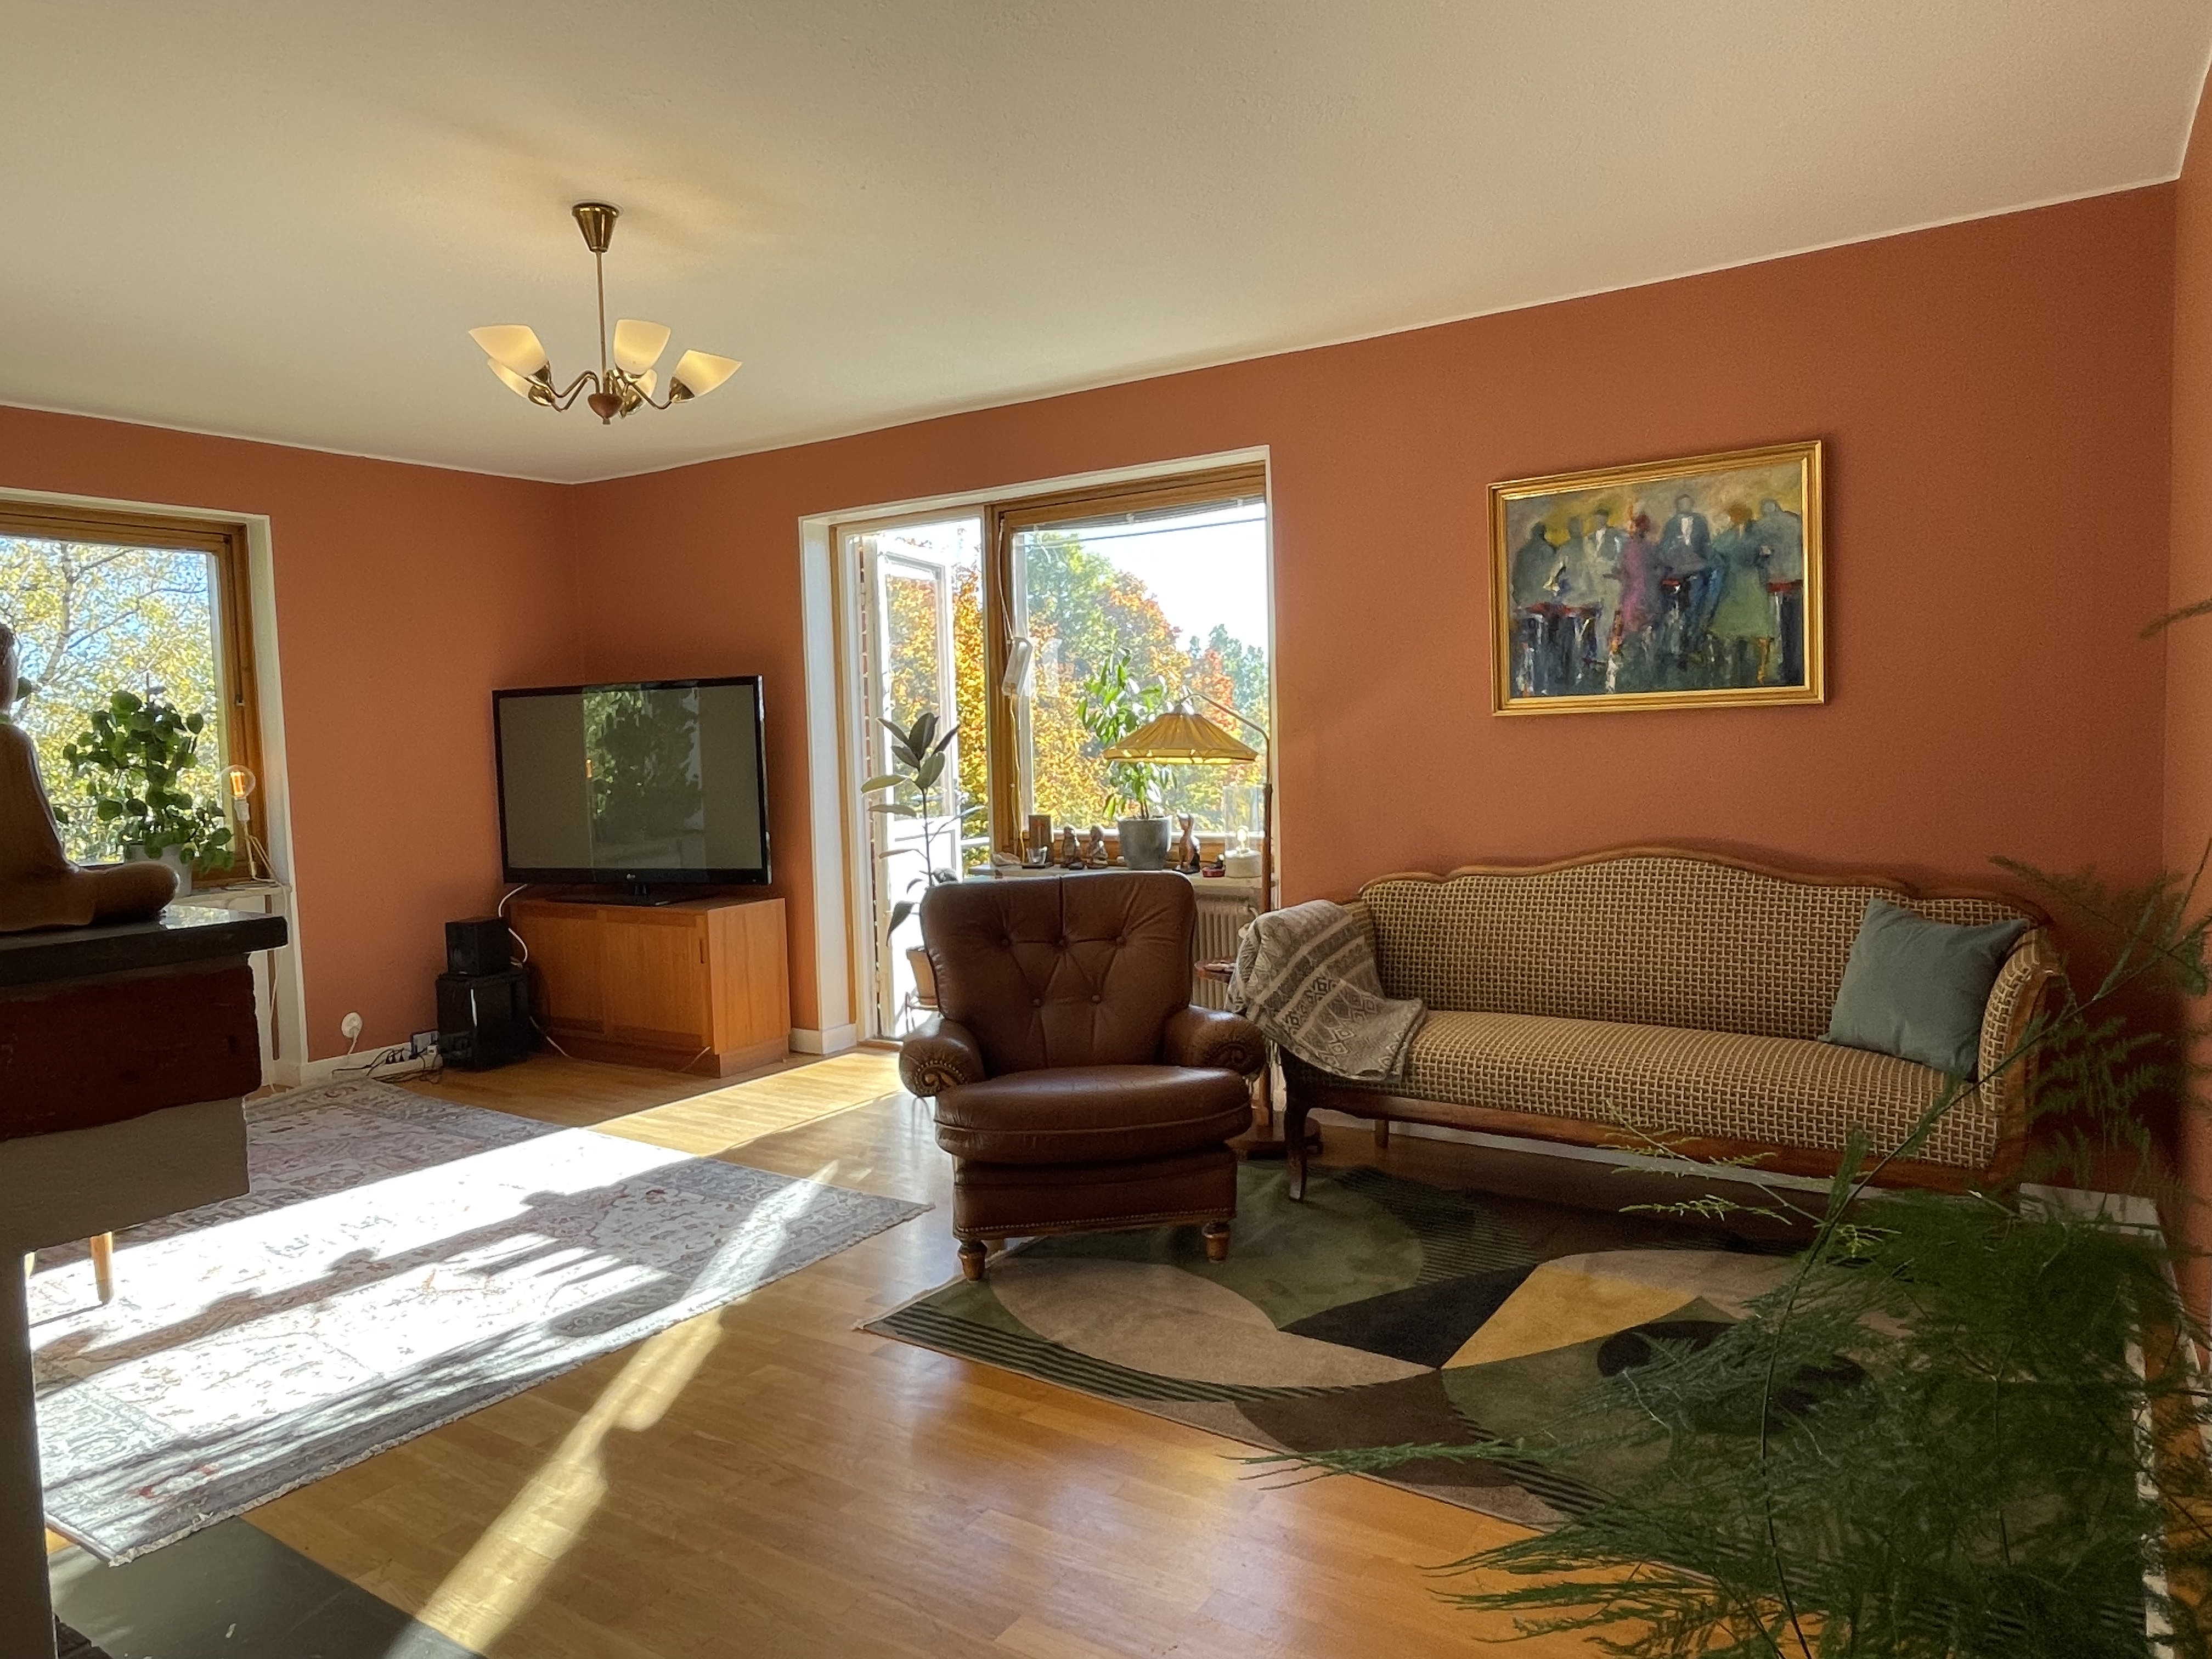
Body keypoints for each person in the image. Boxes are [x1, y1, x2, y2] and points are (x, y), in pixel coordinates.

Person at [1708, 505, 1777, 684]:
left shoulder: (1755, 535)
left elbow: (1764, 554)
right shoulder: (1729, 535)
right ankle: (1730, 671)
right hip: (1735, 583)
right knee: (1729, 628)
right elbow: (1716, 551)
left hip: (1750, 583)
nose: (1732, 519)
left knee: (1757, 627)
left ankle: (1759, 672)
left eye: (1734, 516)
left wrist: (1763, 555)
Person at [1509, 521, 1567, 693]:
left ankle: (1525, 683)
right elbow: (1556, 580)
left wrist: (1520, 599)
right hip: (1544, 606)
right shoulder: (1551, 551)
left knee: (1525, 643)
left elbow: (1515, 580)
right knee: (1550, 643)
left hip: (1524, 605)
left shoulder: (1522, 553)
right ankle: (1546, 683)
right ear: (1544, 534)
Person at [1754, 497, 1807, 684]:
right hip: (1796, 579)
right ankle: (1797, 670)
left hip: (1775, 581)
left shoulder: (1762, 526)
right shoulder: (1795, 521)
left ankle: (1778, 670)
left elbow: (1762, 553)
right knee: (1796, 626)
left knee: (1776, 627)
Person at [1609, 512, 1663, 690]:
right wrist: (1653, 579)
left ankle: (1622, 674)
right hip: (1650, 600)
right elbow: (1663, 568)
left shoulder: (1627, 549)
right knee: (1646, 635)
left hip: (1632, 601)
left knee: (1625, 632)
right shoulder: (1651, 548)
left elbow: (1619, 571)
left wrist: (1625, 578)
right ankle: (1649, 674)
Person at [1658, 490, 1716, 654]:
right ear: (1678, 506)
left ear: (1692, 505)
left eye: (1688, 504)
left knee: (1696, 602)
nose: (1685, 506)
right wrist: (1673, 547)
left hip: (1697, 566)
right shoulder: (1671, 524)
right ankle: (1676, 641)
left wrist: (1705, 560)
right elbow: (1664, 546)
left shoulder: (1700, 521)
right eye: (1682, 504)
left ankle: (1693, 638)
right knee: (1675, 605)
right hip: (1677, 568)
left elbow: (1706, 543)